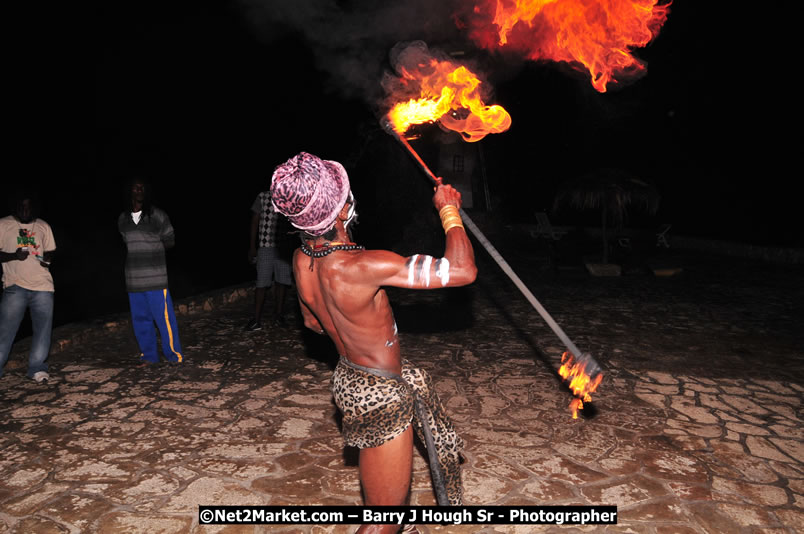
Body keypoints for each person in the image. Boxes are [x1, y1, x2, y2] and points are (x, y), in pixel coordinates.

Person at [271, 152, 477, 534]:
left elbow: (312, 322)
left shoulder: (302, 260)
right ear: (340, 210)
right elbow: (462, 271)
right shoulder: (363, 265)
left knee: (391, 510)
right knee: (384, 521)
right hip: (381, 396)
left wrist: (349, 329)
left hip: (350, 380)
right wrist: (449, 211)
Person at [118, 177, 184, 366]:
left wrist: (154, 248)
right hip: (133, 279)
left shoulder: (157, 215)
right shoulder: (123, 219)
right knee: (141, 320)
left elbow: (170, 240)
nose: (138, 190)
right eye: (135, 187)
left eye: (142, 187)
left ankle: (174, 355)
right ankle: (149, 356)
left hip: (156, 279)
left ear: (146, 191)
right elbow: (126, 242)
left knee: (164, 320)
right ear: (129, 191)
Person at [0, 189, 57, 382]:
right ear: (15, 206)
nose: (25, 209)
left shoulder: (43, 226)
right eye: (21, 206)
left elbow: (49, 252)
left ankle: (37, 368)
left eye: (28, 206)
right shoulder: (3, 224)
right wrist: (13, 256)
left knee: (43, 330)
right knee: (6, 330)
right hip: (15, 286)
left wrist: (47, 259)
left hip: (43, 286)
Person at [245, 187, 293, 331]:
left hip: (283, 247)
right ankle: (256, 319)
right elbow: (254, 222)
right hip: (265, 245)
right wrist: (253, 247)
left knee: (282, 282)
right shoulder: (263, 197)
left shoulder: (290, 198)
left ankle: (279, 316)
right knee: (261, 283)